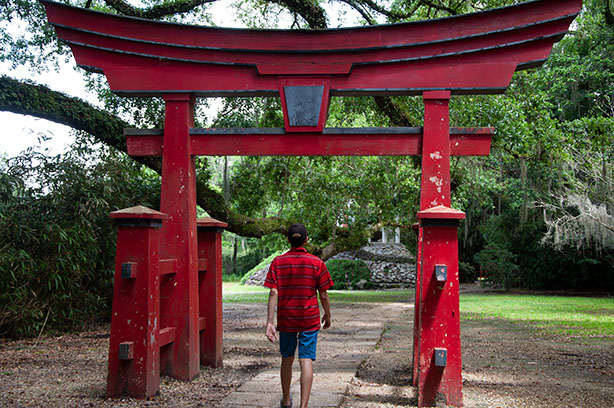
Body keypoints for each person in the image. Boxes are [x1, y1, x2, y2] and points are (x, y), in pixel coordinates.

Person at [265, 223, 333, 408]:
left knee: (287, 357)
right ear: (306, 240)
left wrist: (270, 322)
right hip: (309, 319)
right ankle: (303, 406)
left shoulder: (278, 262)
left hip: (286, 319)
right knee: (306, 359)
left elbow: (273, 293)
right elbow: (324, 295)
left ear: (288, 240)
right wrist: (327, 315)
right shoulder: (317, 263)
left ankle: (286, 400)